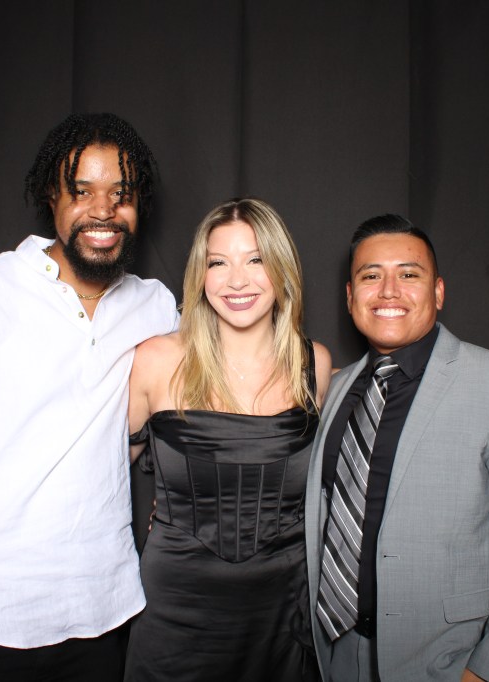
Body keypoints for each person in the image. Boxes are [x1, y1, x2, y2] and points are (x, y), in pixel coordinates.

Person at [0, 112, 180, 682]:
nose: (103, 210)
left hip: (104, 613)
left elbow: (219, 372)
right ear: (52, 196)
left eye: (121, 194)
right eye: (82, 191)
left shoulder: (154, 306)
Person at [305, 214, 489, 682]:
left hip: (446, 663)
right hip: (333, 655)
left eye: (409, 274)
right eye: (371, 276)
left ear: (439, 291)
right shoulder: (332, 389)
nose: (389, 291)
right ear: (350, 296)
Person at [123, 197, 333, 682]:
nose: (237, 280)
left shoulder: (314, 365)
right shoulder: (155, 361)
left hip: (281, 613)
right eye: (218, 263)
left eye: (255, 260)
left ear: (281, 270)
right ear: (200, 275)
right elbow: (103, 479)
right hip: (175, 608)